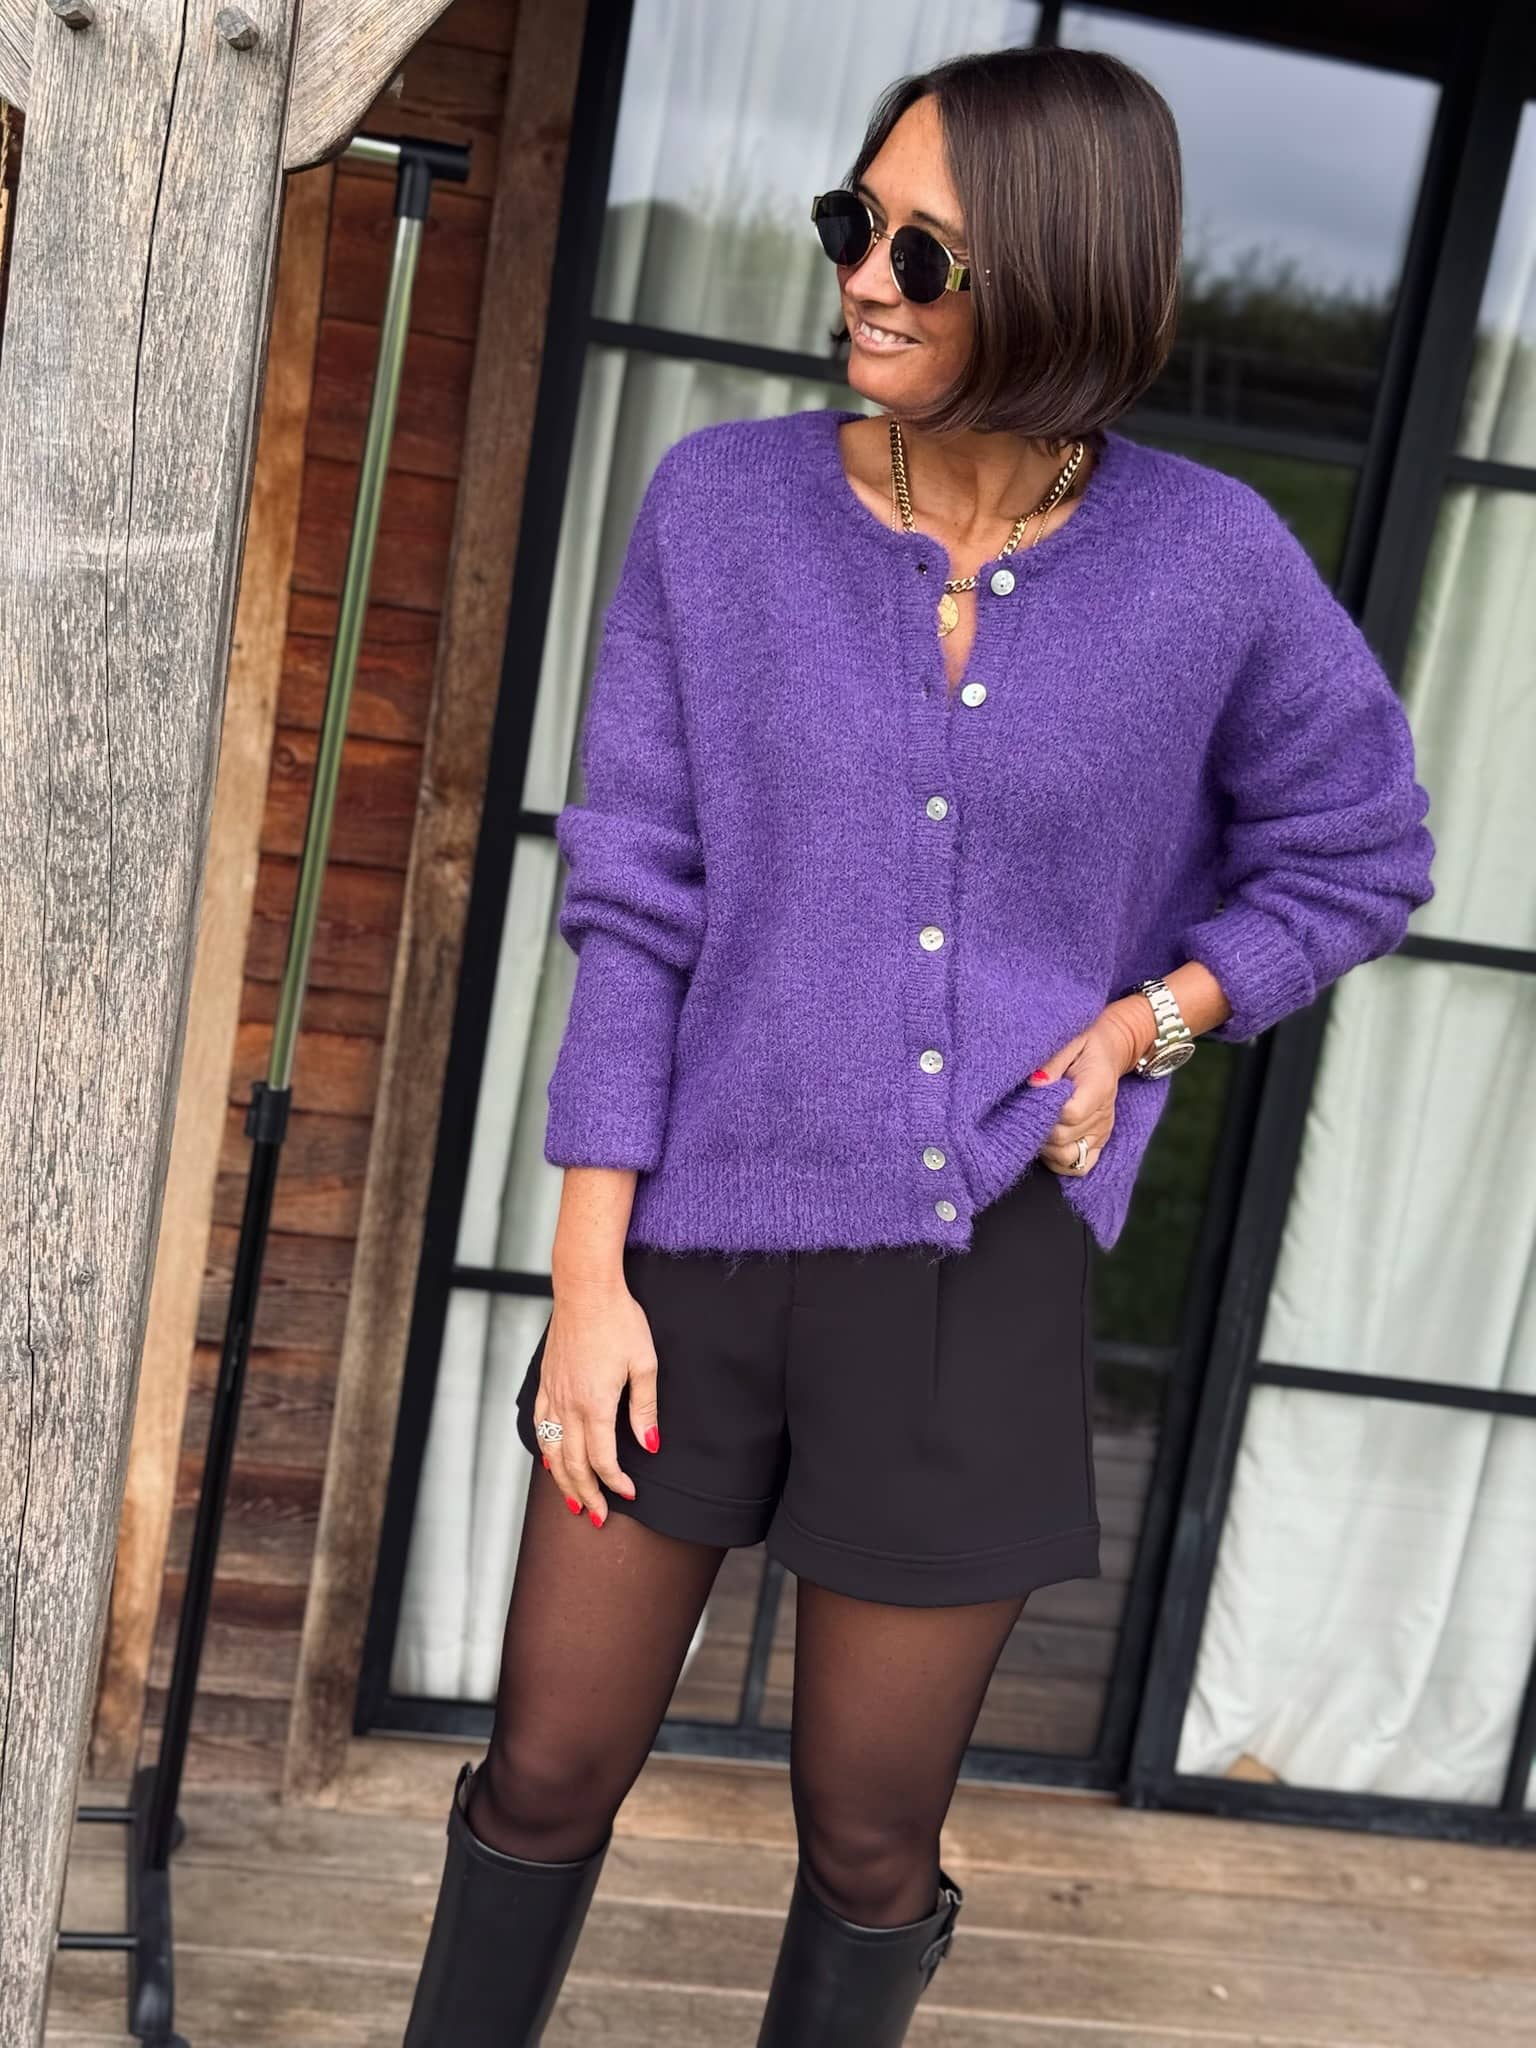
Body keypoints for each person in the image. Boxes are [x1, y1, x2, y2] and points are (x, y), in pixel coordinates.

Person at [401, 43, 1436, 2048]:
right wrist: (589, 1283)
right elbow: (636, 901)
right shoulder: (722, 512)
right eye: (852, 223)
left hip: (980, 1276)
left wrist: (1151, 1019)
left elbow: (1361, 848)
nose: (866, 276)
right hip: (688, 1258)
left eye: (924, 250)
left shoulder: (1214, 564)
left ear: (1058, 274)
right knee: (544, 1767)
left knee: (871, 1841)